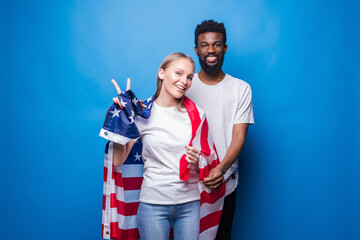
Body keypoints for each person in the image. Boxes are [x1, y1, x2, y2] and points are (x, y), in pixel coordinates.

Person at [99, 52, 225, 240]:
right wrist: (123, 117)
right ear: (161, 73)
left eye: (190, 77)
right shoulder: (142, 113)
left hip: (190, 203)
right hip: (153, 204)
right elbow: (117, 160)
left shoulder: (197, 114)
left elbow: (209, 167)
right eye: (178, 73)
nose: (185, 81)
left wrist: (197, 161)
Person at [186, 20, 255, 240]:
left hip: (224, 183)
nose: (211, 50)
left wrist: (222, 169)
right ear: (197, 50)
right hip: (186, 184)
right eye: (204, 45)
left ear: (224, 48)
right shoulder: (184, 86)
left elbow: (239, 136)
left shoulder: (240, 88)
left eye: (216, 44)